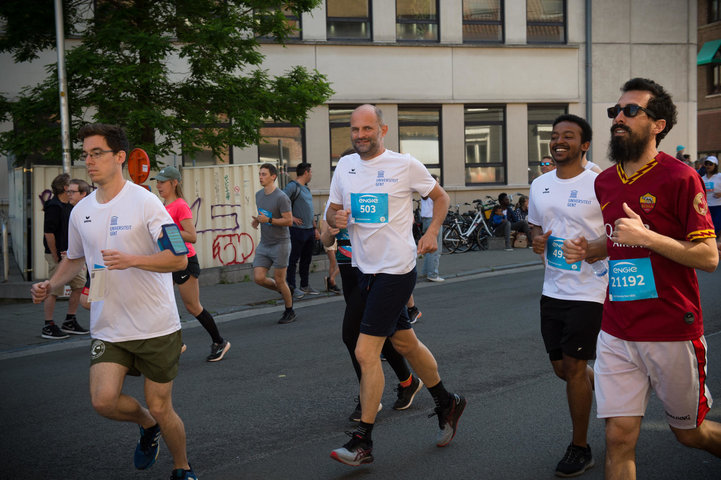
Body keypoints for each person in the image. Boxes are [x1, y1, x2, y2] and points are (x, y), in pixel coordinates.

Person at [563, 78, 721, 479]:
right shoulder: (605, 181)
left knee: (690, 434)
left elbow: (708, 257)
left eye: (631, 111)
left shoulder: (681, 177)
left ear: (658, 124)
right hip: (617, 329)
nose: (619, 117)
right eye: (615, 111)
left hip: (672, 329)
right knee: (617, 438)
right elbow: (619, 240)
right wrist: (593, 247)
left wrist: (646, 236)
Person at [31, 123, 198, 480]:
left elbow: (179, 258)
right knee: (103, 401)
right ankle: (146, 424)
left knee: (161, 404)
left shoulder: (148, 203)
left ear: (119, 157)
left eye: (97, 153)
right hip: (109, 326)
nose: (88, 161)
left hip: (155, 325)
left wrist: (133, 259)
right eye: (86, 154)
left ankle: (182, 467)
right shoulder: (81, 211)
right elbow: (75, 258)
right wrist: (51, 283)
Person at [327, 104, 465, 467]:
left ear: (382, 130)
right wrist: (334, 217)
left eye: (367, 128)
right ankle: (447, 401)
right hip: (363, 271)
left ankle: (363, 442)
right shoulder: (345, 166)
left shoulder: (404, 165)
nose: (360, 135)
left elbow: (440, 197)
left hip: (396, 270)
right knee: (405, 342)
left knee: (365, 352)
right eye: (355, 129)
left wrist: (433, 231)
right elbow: (330, 213)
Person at [528, 114, 606, 477]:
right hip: (552, 288)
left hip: (591, 289)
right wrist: (536, 240)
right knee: (562, 367)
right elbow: (536, 227)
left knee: (575, 366)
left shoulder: (600, 183)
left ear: (584, 145)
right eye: (556, 136)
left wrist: (592, 248)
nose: (559, 141)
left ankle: (580, 447)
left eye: (569, 136)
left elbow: (621, 233)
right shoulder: (540, 184)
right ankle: (606, 389)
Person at [320, 208, 424, 423]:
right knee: (381, 333)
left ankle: (368, 398)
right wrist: (331, 230)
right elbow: (325, 239)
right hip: (348, 274)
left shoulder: (369, 197)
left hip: (374, 273)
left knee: (352, 335)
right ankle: (408, 382)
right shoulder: (334, 203)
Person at [154, 166, 230, 362]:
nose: (158, 185)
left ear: (174, 182)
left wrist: (169, 232)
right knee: (161, 302)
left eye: (163, 182)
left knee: (193, 307)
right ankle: (176, 344)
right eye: (158, 181)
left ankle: (219, 342)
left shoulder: (180, 205)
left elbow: (192, 236)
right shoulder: (162, 205)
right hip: (168, 260)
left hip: (185, 261)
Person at [41, 173, 89, 339]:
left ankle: (70, 320)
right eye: (69, 187)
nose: (71, 191)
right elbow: (49, 234)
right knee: (53, 289)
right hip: (57, 255)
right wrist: (56, 256)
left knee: (79, 286)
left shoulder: (69, 206)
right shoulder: (53, 206)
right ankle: (48, 325)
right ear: (64, 188)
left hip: (70, 255)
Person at [252, 163, 296, 324]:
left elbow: (289, 221)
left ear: (273, 177)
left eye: (264, 174)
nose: (261, 177)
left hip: (280, 244)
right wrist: (258, 220)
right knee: (258, 277)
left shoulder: (281, 197)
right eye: (260, 174)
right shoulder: (258, 195)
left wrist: (269, 220)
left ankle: (289, 310)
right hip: (265, 243)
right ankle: (286, 291)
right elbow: (263, 215)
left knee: (279, 279)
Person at [283, 162, 320, 298]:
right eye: (310, 172)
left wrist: (315, 229)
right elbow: (281, 201)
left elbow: (309, 209)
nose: (311, 175)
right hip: (296, 230)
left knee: (306, 260)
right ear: (306, 172)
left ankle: (304, 286)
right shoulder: (293, 186)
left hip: (309, 230)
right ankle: (291, 287)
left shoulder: (306, 189)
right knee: (293, 260)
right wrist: (291, 217)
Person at [419, 174, 444, 282]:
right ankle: (433, 274)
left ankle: (426, 272)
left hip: (426, 220)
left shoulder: (424, 192)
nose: (438, 184)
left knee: (428, 248)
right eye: (437, 182)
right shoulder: (434, 193)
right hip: (433, 220)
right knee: (435, 249)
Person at [320, 217, 341, 294]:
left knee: (339, 262)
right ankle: (332, 281)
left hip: (336, 238)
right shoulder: (326, 215)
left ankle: (331, 278)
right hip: (329, 236)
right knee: (333, 262)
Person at [701, 156, 721, 235]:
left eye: (711, 164)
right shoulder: (702, 178)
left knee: (717, 226)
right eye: (707, 164)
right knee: (708, 227)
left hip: (718, 206)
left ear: (715, 166)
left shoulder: (719, 176)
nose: (708, 166)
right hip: (706, 207)